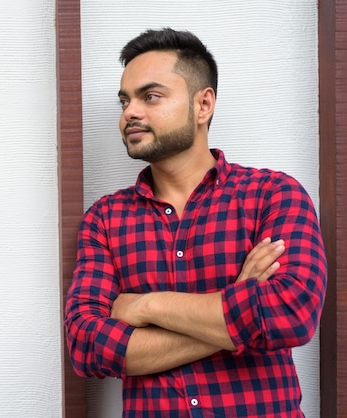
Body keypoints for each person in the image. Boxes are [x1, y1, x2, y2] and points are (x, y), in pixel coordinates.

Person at [64, 28, 327, 417]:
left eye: (150, 96)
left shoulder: (272, 194)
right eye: (125, 100)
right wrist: (237, 301)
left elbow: (290, 313)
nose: (130, 112)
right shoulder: (105, 218)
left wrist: (146, 305)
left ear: (203, 105)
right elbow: (87, 346)